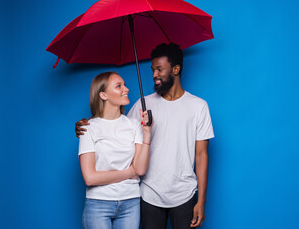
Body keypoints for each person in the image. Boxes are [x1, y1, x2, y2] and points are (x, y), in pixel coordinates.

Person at [76, 43, 214, 229]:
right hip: (148, 195)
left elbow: (201, 155)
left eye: (159, 69)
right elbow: (114, 127)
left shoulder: (199, 106)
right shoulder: (143, 104)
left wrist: (202, 200)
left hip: (185, 194)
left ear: (175, 69)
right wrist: (87, 124)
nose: (154, 75)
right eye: (152, 70)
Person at [78, 71, 152, 229]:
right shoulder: (88, 128)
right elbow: (90, 178)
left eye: (124, 85)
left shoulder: (133, 125)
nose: (126, 89)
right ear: (103, 95)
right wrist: (128, 173)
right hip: (98, 204)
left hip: (131, 202)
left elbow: (139, 168)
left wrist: (147, 132)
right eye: (119, 86)